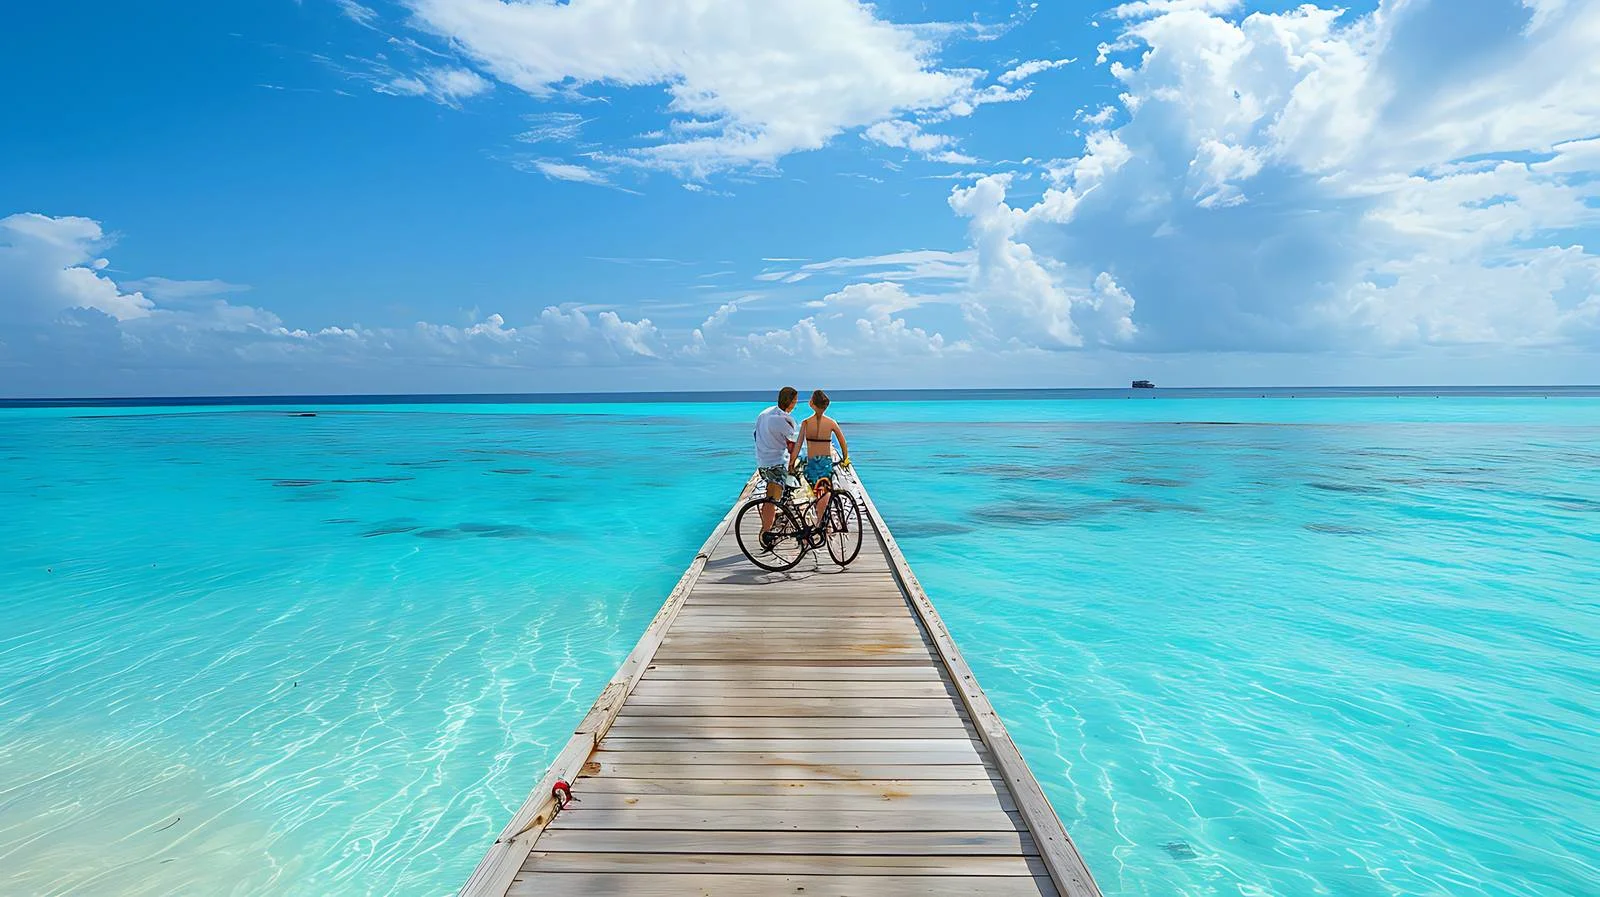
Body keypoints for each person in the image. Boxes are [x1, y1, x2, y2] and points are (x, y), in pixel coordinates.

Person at [753, 386, 800, 545]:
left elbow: (755, 434)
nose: (796, 404)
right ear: (790, 401)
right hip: (776, 462)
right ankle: (766, 535)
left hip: (762, 461)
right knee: (772, 499)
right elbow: (792, 445)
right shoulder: (784, 420)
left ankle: (771, 523)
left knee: (771, 495)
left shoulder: (764, 413)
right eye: (795, 401)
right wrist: (793, 463)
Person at [801, 389, 849, 522]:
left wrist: (792, 462)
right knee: (824, 491)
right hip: (825, 463)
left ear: (812, 404)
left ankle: (819, 519)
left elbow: (798, 445)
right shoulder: (831, 422)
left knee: (815, 493)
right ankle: (822, 521)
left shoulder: (806, 423)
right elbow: (842, 442)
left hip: (811, 463)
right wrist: (845, 458)